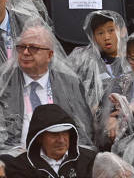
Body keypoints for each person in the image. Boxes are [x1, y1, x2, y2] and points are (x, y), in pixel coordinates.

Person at [0, 23, 93, 151]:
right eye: (21, 47)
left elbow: (84, 132)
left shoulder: (70, 84)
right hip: (15, 160)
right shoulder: (4, 83)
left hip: (62, 157)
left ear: (49, 55)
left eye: (33, 48)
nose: (25, 52)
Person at [1, 104, 97, 178]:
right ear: (39, 137)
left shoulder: (89, 159)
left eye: (65, 133)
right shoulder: (19, 166)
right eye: (54, 134)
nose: (61, 140)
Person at [66, 10, 128, 114]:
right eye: (100, 33)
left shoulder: (133, 60)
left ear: (122, 31)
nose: (106, 37)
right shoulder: (84, 61)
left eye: (111, 30)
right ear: (93, 37)